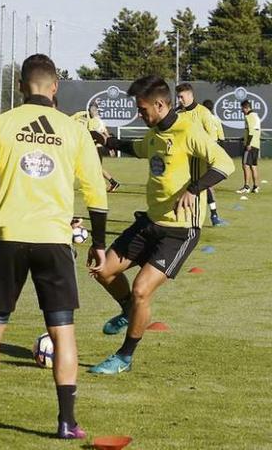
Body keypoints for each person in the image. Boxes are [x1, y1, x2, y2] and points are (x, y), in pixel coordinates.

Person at [0, 54, 108, 439]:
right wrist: (98, 242)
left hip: (9, 239)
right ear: (55, 88)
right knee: (63, 331)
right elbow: (95, 191)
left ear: (20, 87)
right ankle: (67, 423)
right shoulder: (74, 130)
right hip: (55, 241)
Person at [89, 76, 234, 375]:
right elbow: (140, 148)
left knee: (143, 290)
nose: (140, 115)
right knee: (101, 270)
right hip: (150, 222)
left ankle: (124, 357)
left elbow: (225, 164)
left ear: (159, 104)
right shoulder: (155, 134)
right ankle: (129, 311)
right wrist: (110, 142)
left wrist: (194, 189)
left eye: (142, 109)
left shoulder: (189, 131)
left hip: (180, 231)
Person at [176, 84, 223, 225]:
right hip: (181, 160)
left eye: (181, 97)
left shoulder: (203, 113)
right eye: (178, 97)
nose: (179, 100)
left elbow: (212, 137)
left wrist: (208, 157)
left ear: (191, 95)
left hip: (199, 160)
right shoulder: (178, 113)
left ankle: (213, 215)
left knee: (203, 187)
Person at [72, 103, 120, 192]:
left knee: (94, 168)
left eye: (95, 109)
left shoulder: (96, 121)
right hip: (89, 147)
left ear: (97, 110)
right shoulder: (80, 115)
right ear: (89, 109)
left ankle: (109, 183)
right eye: (92, 109)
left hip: (96, 147)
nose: (93, 111)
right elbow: (70, 120)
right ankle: (112, 183)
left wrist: (110, 147)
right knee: (94, 167)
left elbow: (104, 134)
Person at [237, 99, 261, 194]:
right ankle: (256, 187)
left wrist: (248, 144)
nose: (242, 111)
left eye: (242, 109)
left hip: (250, 145)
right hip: (256, 144)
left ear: (246, 108)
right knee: (253, 166)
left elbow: (251, 132)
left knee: (245, 165)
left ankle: (246, 187)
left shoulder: (249, 116)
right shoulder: (256, 116)